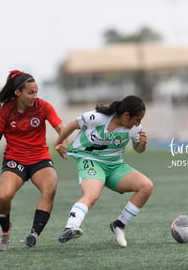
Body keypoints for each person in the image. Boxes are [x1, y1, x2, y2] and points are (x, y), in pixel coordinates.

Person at [0, 70, 65, 251]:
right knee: (4, 196)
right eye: (30, 93)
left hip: (40, 159)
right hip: (14, 160)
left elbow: (60, 128)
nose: (35, 96)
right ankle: (5, 230)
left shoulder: (44, 107)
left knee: (49, 188)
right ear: (18, 92)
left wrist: (62, 142)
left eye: (36, 92)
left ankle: (34, 233)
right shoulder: (6, 111)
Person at [54, 95, 153, 248]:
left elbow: (138, 150)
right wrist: (59, 142)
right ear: (127, 115)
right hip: (90, 161)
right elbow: (72, 125)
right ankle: (70, 227)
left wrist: (142, 144)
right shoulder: (97, 118)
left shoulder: (134, 129)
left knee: (146, 186)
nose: (138, 123)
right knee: (92, 195)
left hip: (114, 166)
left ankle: (119, 225)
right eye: (137, 119)